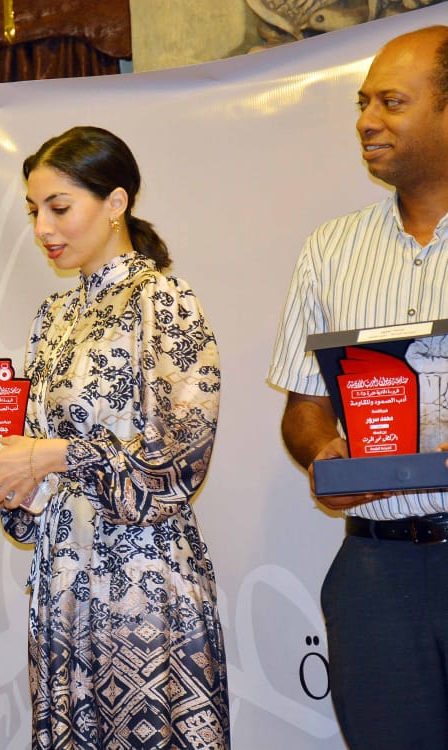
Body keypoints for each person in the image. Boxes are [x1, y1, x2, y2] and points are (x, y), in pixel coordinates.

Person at [0, 126, 229, 749]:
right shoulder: (53, 317)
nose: (42, 229)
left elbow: (180, 462)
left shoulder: (163, 299)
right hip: (63, 585)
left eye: (59, 207)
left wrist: (53, 455)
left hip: (143, 585)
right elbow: (38, 468)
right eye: (34, 211)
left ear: (115, 203)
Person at [268, 25, 448, 749]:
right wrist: (323, 454)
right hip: (377, 572)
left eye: (392, 102)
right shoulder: (331, 250)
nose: (367, 121)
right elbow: (303, 409)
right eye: (363, 103)